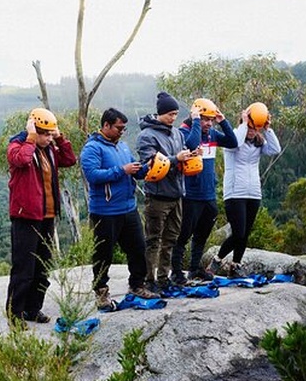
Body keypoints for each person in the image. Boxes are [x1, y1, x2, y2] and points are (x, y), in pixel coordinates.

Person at [81, 107, 160, 310]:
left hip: (128, 208)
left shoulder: (122, 147)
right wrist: (121, 170)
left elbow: (134, 171)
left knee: (138, 249)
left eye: (124, 128)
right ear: (106, 125)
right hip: (105, 211)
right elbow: (92, 175)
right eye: (118, 128)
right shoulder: (92, 148)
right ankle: (101, 293)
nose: (122, 132)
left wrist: (145, 167)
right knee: (103, 254)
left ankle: (136, 285)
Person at [6, 107, 77, 325]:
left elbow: (70, 159)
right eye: (44, 133)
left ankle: (33, 309)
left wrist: (60, 138)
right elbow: (22, 160)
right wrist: (30, 138)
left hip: (47, 215)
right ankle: (15, 313)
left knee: (42, 266)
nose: (48, 138)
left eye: (50, 133)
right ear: (34, 130)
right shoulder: (17, 146)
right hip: (25, 216)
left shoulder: (50, 149)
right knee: (24, 267)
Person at [137, 92, 200, 293]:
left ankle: (164, 278)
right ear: (161, 113)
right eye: (170, 114)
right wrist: (176, 159)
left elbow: (180, 157)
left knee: (171, 239)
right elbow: (149, 164)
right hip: (157, 196)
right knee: (153, 239)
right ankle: (149, 279)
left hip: (176, 194)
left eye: (175, 114)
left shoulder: (177, 133)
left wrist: (190, 157)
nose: (174, 118)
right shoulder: (146, 135)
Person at [207, 108, 281, 278]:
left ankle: (236, 265)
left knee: (245, 233)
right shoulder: (232, 138)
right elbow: (236, 143)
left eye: (255, 128)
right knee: (238, 232)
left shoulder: (259, 143)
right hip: (235, 193)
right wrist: (244, 123)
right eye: (249, 127)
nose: (252, 131)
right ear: (244, 125)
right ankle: (217, 261)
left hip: (253, 192)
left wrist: (268, 128)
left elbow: (275, 149)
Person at [170, 99, 238, 284]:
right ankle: (176, 272)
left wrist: (223, 121)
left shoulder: (213, 134)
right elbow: (191, 143)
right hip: (191, 194)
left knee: (202, 234)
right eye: (204, 119)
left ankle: (195, 269)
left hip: (208, 193)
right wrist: (196, 121)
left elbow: (232, 142)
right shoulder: (184, 132)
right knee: (184, 234)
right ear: (196, 117)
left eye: (210, 120)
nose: (208, 123)